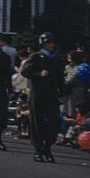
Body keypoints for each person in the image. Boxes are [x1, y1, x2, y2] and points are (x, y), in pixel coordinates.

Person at [20, 32, 65, 163]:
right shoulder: (35, 56)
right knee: (37, 122)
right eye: (48, 43)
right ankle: (38, 150)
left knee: (54, 121)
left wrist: (62, 92)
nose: (51, 45)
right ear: (43, 44)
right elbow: (25, 71)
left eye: (52, 42)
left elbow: (60, 77)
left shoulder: (56, 58)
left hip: (52, 94)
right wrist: (39, 73)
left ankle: (48, 147)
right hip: (38, 94)